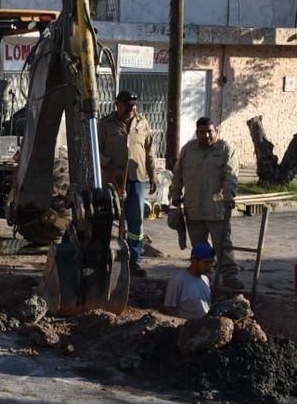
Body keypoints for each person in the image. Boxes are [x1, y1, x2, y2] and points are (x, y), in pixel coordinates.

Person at [169, 117, 242, 290]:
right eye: (202, 132)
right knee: (199, 247)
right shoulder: (188, 150)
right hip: (193, 208)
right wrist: (175, 195)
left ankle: (230, 277)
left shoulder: (225, 150)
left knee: (222, 244)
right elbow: (178, 175)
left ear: (216, 131)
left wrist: (229, 196)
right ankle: (202, 278)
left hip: (215, 208)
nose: (207, 135)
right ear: (197, 133)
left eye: (210, 132)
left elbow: (231, 176)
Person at [97, 90, 156, 276]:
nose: (131, 109)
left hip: (136, 179)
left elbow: (149, 151)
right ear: (117, 105)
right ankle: (103, 259)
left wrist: (153, 175)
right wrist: (109, 166)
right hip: (111, 181)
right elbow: (95, 151)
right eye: (127, 105)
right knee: (106, 218)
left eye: (134, 106)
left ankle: (134, 261)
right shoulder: (105, 125)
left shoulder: (142, 123)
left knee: (135, 221)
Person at [164, 242, 216, 320]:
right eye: (206, 262)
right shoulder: (179, 280)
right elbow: (169, 309)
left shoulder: (205, 280)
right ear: (194, 261)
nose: (210, 266)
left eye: (212, 262)